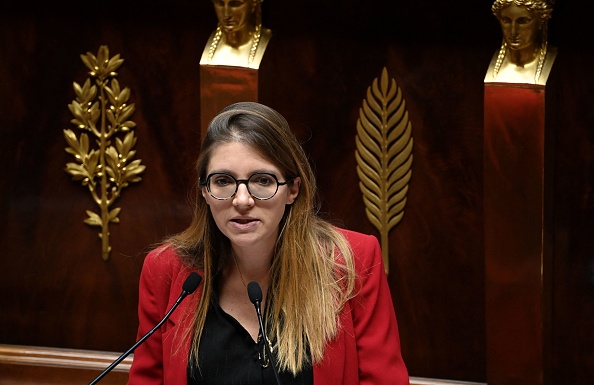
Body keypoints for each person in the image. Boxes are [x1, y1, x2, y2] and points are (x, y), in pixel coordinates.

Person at [127, 102, 409, 384]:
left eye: (262, 180)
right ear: (205, 192)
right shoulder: (165, 269)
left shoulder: (352, 262)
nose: (242, 201)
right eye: (223, 181)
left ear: (293, 190)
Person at [486, 0, 557, 84]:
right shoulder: (482, 63)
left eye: (523, 21)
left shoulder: (562, 67)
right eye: (506, 21)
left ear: (541, 22)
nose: (513, 32)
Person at [199, 0, 272, 69]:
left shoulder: (271, 46)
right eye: (220, 3)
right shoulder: (202, 42)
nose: (226, 14)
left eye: (235, 4)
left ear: (253, 4)